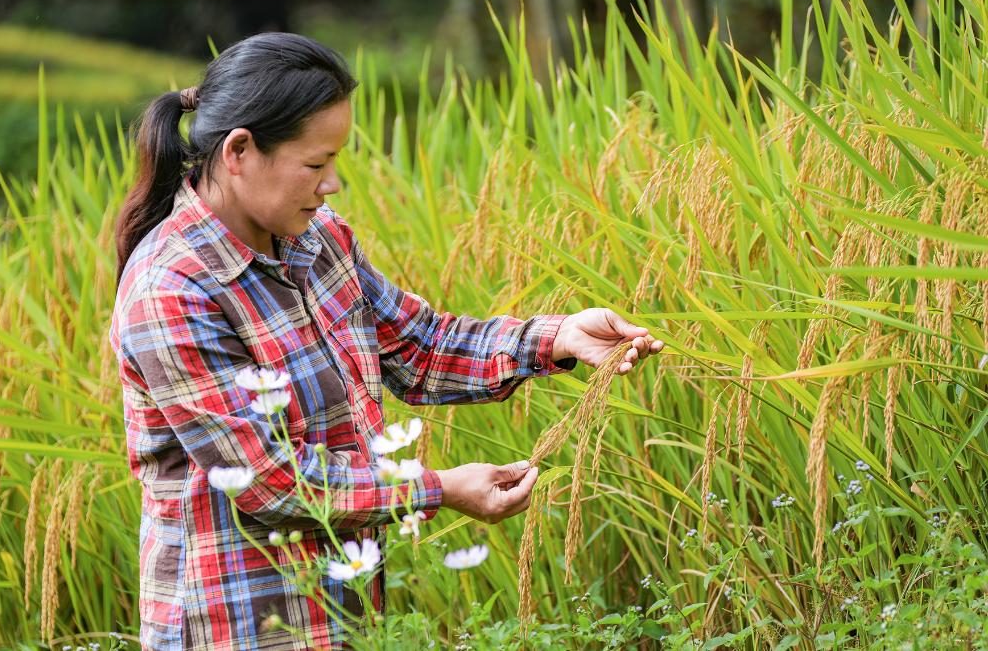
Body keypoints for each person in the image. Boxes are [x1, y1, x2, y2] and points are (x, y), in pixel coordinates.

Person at [109, 32, 664, 651]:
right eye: (316, 164)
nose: (332, 184)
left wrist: (556, 336)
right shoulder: (173, 289)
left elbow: (419, 347)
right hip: (239, 626)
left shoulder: (319, 241)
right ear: (239, 151)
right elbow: (270, 478)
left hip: (347, 614)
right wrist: (439, 489)